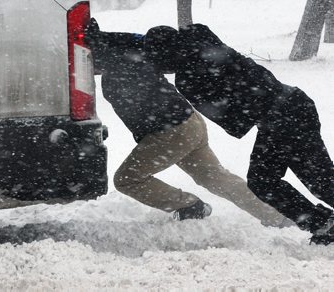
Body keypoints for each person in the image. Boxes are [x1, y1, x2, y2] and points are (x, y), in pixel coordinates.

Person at [85, 19, 293, 226]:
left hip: (171, 131)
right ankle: (279, 216)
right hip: (189, 124)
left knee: (127, 179)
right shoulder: (130, 49)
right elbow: (129, 40)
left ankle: (189, 205)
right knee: (217, 179)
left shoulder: (121, 62)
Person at [142, 24, 334, 244]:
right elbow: (195, 31)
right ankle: (323, 224)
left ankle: (323, 224)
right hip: (291, 106)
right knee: (269, 180)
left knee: (316, 180)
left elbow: (236, 124)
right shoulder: (199, 36)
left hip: (283, 117)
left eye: (157, 61)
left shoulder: (187, 80)